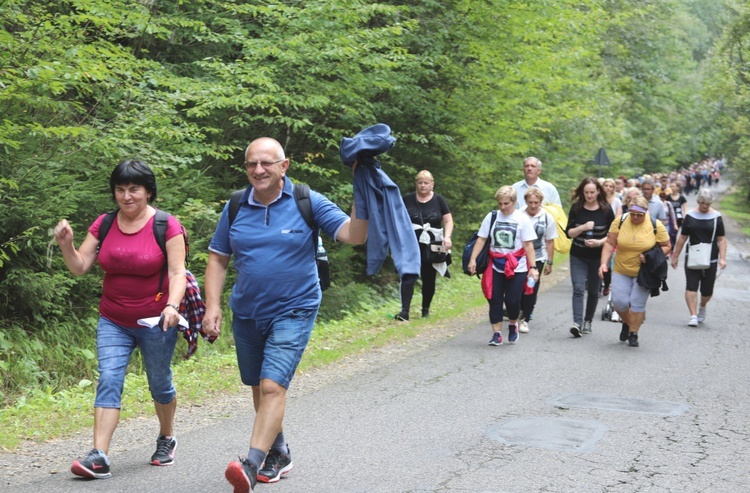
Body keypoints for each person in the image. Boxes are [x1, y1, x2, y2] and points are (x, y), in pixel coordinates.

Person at [204, 137, 368, 493]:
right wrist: (212, 306)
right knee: (257, 387)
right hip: (247, 311)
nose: (258, 170)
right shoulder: (235, 205)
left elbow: (353, 235)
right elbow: (218, 257)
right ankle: (279, 451)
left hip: (295, 307)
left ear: (284, 166)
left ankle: (251, 464)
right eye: (251, 164)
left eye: (266, 163)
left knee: (272, 385)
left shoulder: (307, 200)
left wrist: (364, 193)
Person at [53, 160, 187, 479]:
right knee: (110, 378)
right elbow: (80, 265)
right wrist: (66, 244)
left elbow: (177, 272)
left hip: (157, 320)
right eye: (120, 189)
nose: (126, 196)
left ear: (148, 192)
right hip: (113, 318)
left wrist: (172, 305)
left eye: (134, 189)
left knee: (159, 382)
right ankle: (98, 455)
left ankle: (166, 436)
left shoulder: (166, 225)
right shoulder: (105, 223)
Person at [468, 186, 538, 346]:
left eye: (506, 203)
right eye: (500, 203)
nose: (503, 207)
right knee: (495, 299)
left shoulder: (522, 219)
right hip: (495, 265)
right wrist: (473, 259)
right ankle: (497, 334)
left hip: (517, 267)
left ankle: (513, 324)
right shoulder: (492, 217)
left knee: (513, 301)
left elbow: (528, 245)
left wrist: (533, 268)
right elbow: (481, 239)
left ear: (514, 202)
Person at [598, 196, 670, 347]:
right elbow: (610, 242)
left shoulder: (655, 225)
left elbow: (667, 246)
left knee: (637, 303)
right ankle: (628, 322)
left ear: (646, 212)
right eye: (633, 214)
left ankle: (633, 333)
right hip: (621, 268)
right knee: (619, 302)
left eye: (640, 215)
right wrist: (603, 264)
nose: (636, 217)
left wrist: (651, 256)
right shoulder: (620, 221)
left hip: (643, 272)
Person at [397, 170, 454, 320]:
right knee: (408, 275)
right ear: (416, 184)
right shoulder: (407, 199)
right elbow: (398, 219)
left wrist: (447, 237)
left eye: (426, 183)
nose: (423, 185)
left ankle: (425, 309)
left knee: (429, 278)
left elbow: (448, 220)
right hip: (411, 243)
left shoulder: (439, 200)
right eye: (420, 182)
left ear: (432, 184)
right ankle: (404, 311)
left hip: (432, 244)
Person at [670, 188, 727, 327]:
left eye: (707, 204)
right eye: (702, 203)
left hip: (711, 257)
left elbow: (721, 239)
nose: (704, 206)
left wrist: (722, 258)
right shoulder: (690, 215)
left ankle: (702, 305)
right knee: (691, 286)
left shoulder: (716, 217)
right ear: (698, 201)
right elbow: (683, 237)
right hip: (693, 257)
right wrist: (675, 256)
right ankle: (693, 315)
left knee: (707, 291)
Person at [566, 177, 615, 337]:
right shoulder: (577, 208)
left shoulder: (606, 210)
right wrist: (582, 227)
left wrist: (599, 242)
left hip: (597, 257)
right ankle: (577, 323)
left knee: (594, 291)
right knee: (579, 288)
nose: (589, 195)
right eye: (586, 192)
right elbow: (569, 233)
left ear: (598, 191)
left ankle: (588, 321)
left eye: (592, 192)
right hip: (578, 255)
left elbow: (613, 235)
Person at [519, 187, 557, 333]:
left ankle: (525, 319)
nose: (533, 206)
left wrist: (550, 262)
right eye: (530, 202)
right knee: (518, 286)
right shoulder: (519, 214)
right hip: (520, 256)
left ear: (541, 202)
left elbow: (550, 241)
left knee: (531, 286)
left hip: (539, 256)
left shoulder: (546, 217)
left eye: (536, 202)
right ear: (526, 202)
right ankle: (520, 310)